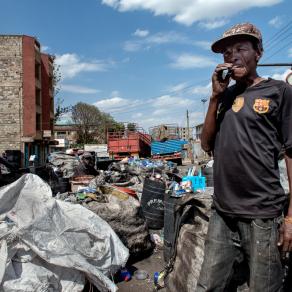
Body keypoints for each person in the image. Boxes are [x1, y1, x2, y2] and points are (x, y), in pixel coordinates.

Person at [197, 23, 292, 291]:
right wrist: (215, 97)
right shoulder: (224, 97)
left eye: (241, 48)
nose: (232, 56)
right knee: (208, 286)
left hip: (262, 215)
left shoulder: (279, 91)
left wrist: (291, 219)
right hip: (223, 212)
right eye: (227, 53)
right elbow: (206, 144)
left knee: (264, 287)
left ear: (258, 53)